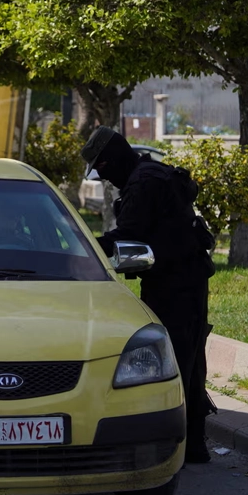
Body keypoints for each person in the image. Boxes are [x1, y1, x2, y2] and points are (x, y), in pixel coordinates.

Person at [81, 126, 216, 464]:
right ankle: (193, 443)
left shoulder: (144, 183)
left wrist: (84, 248)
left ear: (112, 160)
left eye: (101, 167)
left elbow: (129, 236)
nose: (102, 175)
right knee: (188, 355)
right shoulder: (149, 174)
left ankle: (182, 444)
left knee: (177, 358)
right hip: (181, 277)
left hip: (177, 282)